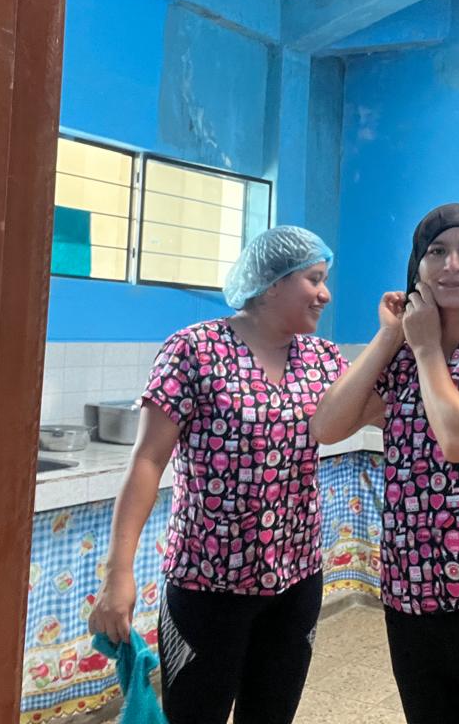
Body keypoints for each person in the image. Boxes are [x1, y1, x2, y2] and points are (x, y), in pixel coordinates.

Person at [88, 226, 345, 724]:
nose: (325, 294)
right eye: (314, 279)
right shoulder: (195, 350)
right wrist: (118, 573)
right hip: (207, 583)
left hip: (295, 580)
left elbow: (383, 410)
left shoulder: (323, 360)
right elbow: (148, 461)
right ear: (273, 282)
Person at [311, 203, 459, 724]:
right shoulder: (402, 353)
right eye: (437, 251)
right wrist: (390, 336)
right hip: (409, 587)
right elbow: (326, 427)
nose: (452, 265)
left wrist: (424, 348)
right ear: (417, 266)